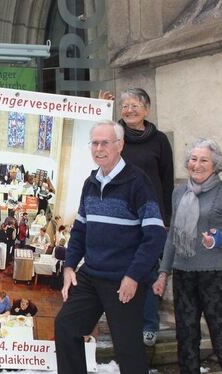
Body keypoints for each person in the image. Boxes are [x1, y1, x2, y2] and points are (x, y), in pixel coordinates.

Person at [54, 121, 166, 374]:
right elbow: (80, 230)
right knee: (66, 326)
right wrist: (70, 265)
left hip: (123, 280)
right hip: (91, 274)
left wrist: (133, 276)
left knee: (128, 349)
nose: (99, 148)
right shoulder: (90, 182)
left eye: (105, 142)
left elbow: (155, 235)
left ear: (120, 145)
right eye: (94, 143)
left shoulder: (138, 182)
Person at [153, 139, 222, 374]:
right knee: (186, 340)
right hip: (184, 277)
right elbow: (173, 235)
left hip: (215, 277)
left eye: (203, 160)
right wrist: (163, 273)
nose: (197, 164)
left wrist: (219, 240)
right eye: (193, 159)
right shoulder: (178, 192)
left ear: (215, 164)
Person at [102, 87, 174, 347]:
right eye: (125, 106)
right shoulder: (115, 136)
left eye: (135, 105)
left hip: (150, 216)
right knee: (116, 270)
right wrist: (101, 110)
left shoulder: (160, 141)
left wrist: (165, 217)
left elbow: (166, 181)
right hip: (118, 215)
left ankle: (149, 325)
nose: (129, 110)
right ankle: (121, 325)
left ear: (147, 108)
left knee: (147, 271)